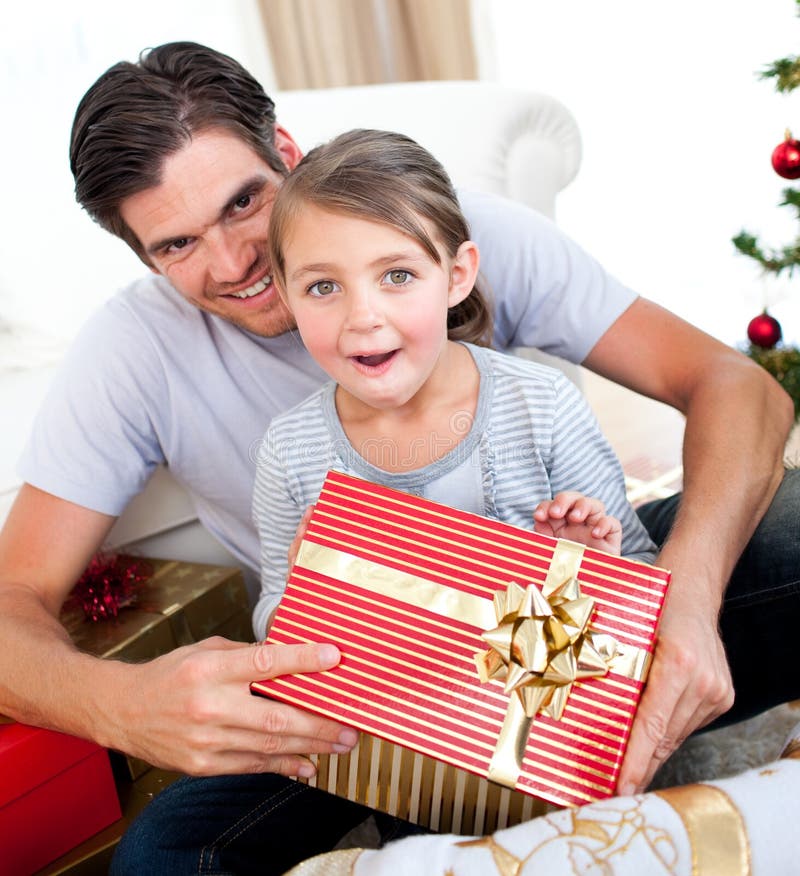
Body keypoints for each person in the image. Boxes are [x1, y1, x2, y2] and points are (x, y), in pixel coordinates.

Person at [0, 38, 793, 874]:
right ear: (143, 256)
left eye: (243, 203)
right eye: (177, 246)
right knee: (163, 855)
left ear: (287, 154)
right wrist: (124, 707)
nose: (236, 263)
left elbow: (738, 388)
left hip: (554, 627)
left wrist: (688, 600)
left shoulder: (438, 232)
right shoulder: (141, 355)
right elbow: (12, 599)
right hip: (370, 685)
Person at [252, 127, 656, 643]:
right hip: (394, 712)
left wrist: (591, 569)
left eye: (397, 276)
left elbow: (641, 577)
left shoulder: (541, 406)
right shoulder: (289, 451)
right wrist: (309, 590)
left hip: (528, 711)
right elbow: (270, 618)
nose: (362, 317)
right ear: (287, 297)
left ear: (457, 274)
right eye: (323, 286)